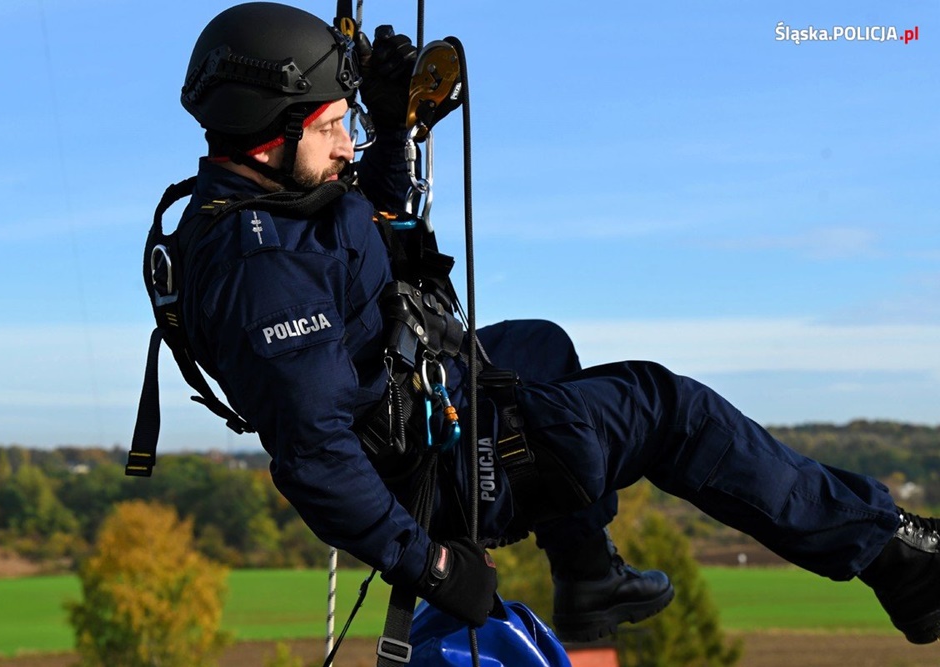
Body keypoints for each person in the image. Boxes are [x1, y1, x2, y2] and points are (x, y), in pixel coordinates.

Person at [157, 1, 940, 647]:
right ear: (274, 131)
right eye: (331, 126)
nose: (344, 144)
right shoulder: (261, 275)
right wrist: (428, 563)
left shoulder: (271, 203)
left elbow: (377, 224)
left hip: (424, 398)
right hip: (443, 472)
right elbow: (314, 456)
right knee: (668, 408)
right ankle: (892, 556)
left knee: (540, 343)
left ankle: (588, 576)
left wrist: (393, 126)